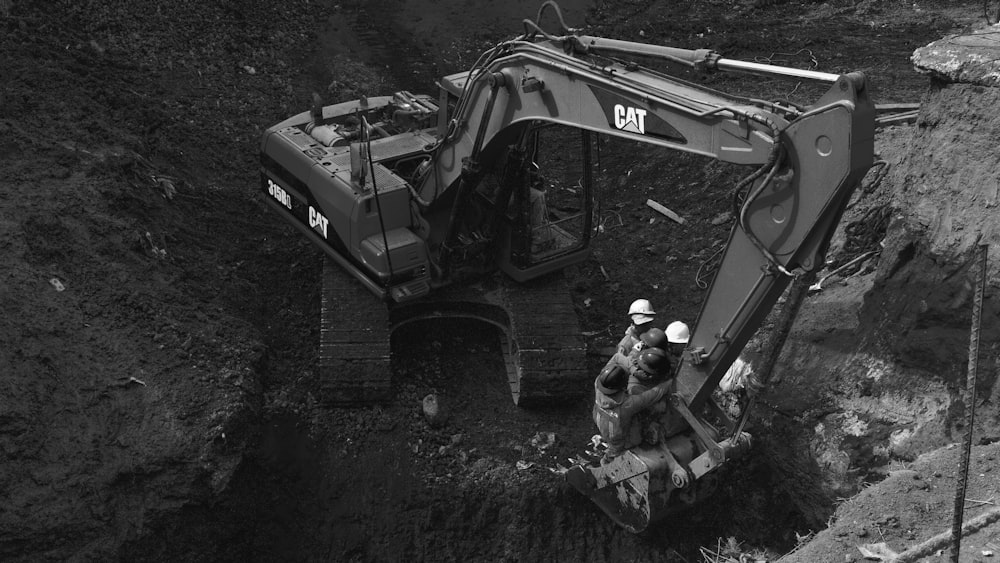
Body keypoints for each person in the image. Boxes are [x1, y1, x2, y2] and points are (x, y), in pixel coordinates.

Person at [592, 357, 691, 488]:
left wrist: (633, 368)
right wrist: (671, 381)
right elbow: (653, 394)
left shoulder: (598, 384)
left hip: (600, 420)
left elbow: (617, 357)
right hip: (618, 438)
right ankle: (607, 470)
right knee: (616, 449)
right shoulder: (627, 406)